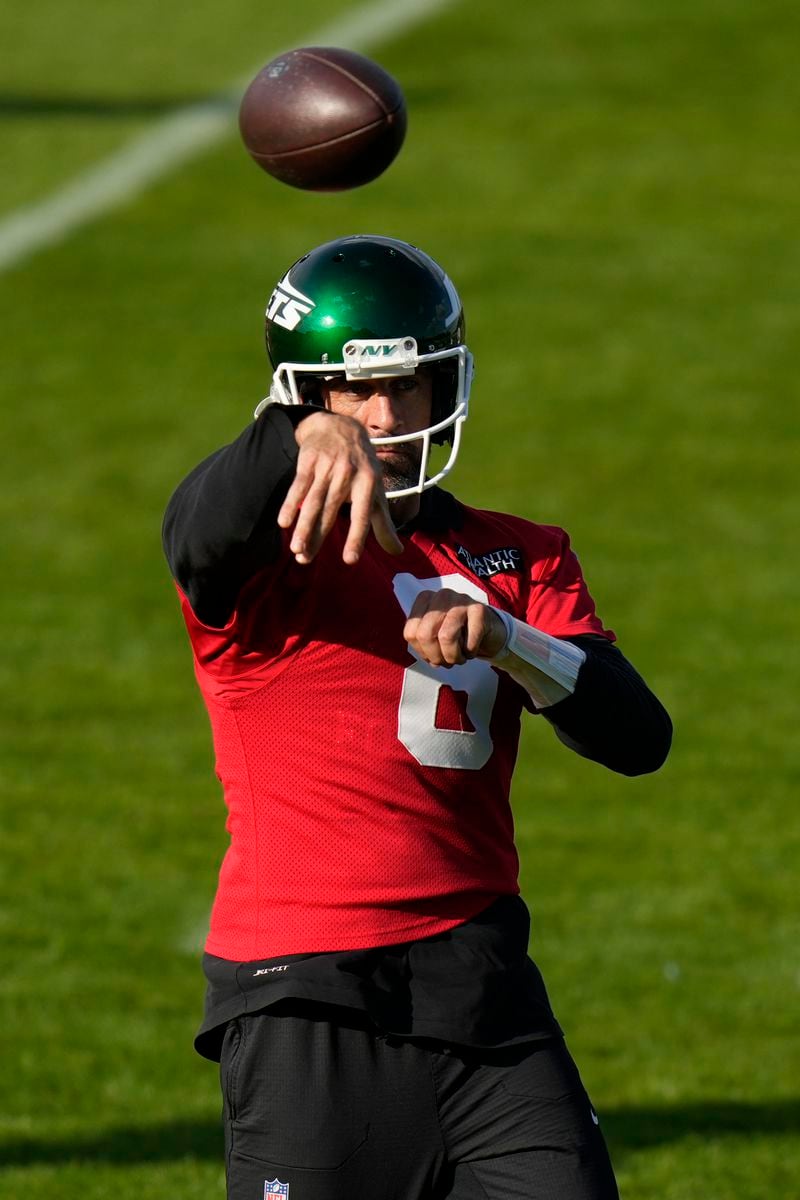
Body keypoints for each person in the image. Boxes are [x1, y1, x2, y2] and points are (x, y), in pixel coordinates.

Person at [163, 234, 672, 1200]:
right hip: (306, 992)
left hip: (483, 989)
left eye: (409, 385)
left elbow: (639, 739)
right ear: (304, 395)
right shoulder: (266, 559)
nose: (385, 418)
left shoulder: (516, 555)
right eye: (354, 393)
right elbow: (193, 533)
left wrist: (507, 640)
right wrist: (292, 441)